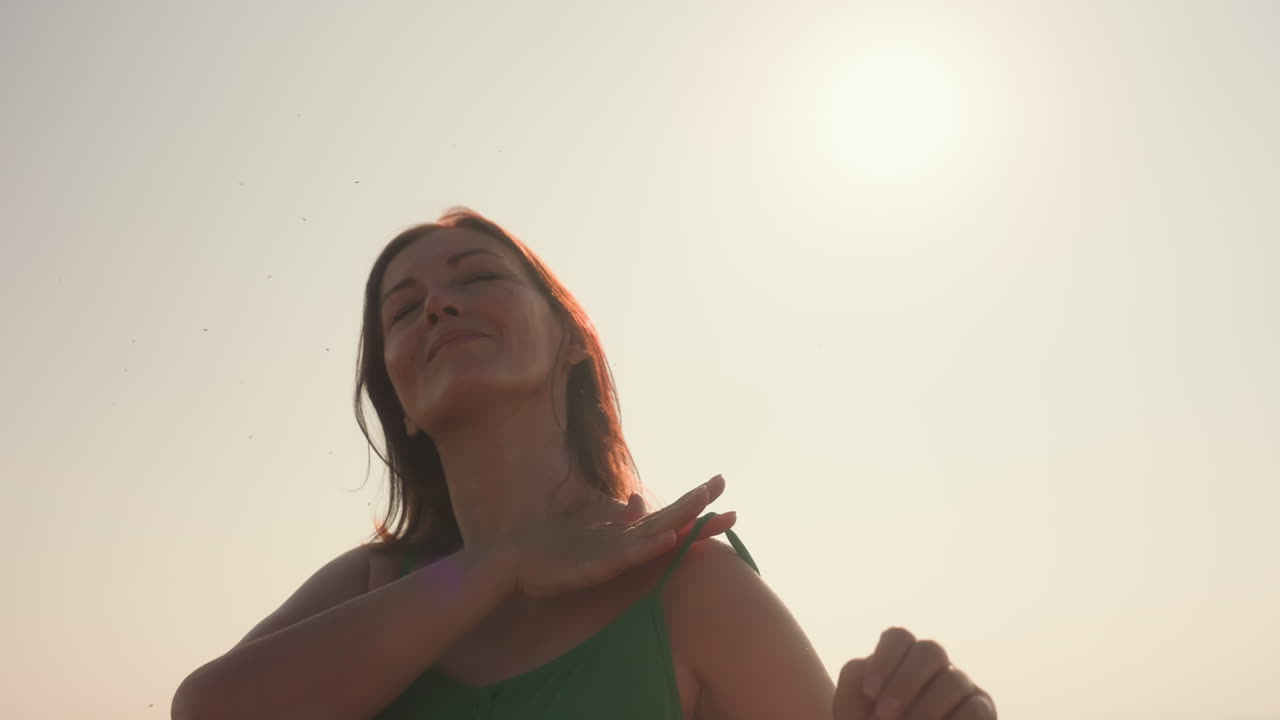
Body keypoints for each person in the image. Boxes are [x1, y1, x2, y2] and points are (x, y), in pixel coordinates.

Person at [171, 208, 997, 720]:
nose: (439, 305)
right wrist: (499, 567)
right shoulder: (371, 584)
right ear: (403, 403)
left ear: (570, 340)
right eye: (403, 309)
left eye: (477, 277)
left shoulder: (686, 586)